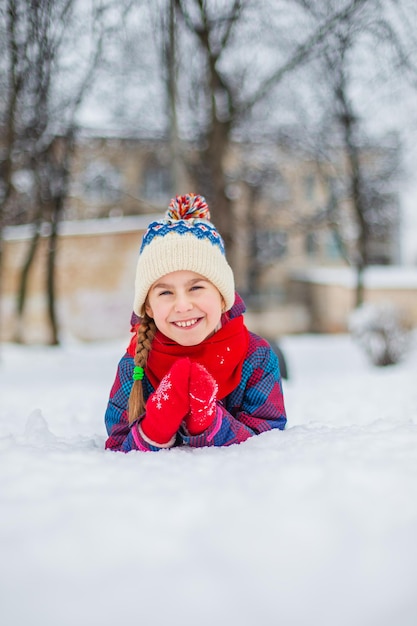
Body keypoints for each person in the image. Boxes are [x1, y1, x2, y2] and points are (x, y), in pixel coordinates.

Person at [105, 193, 287, 452]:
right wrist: (157, 425)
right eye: (165, 292)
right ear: (149, 307)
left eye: (196, 288)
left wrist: (208, 420)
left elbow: (270, 440)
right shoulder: (135, 365)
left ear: (223, 297)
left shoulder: (255, 357)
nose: (182, 305)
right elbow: (116, 444)